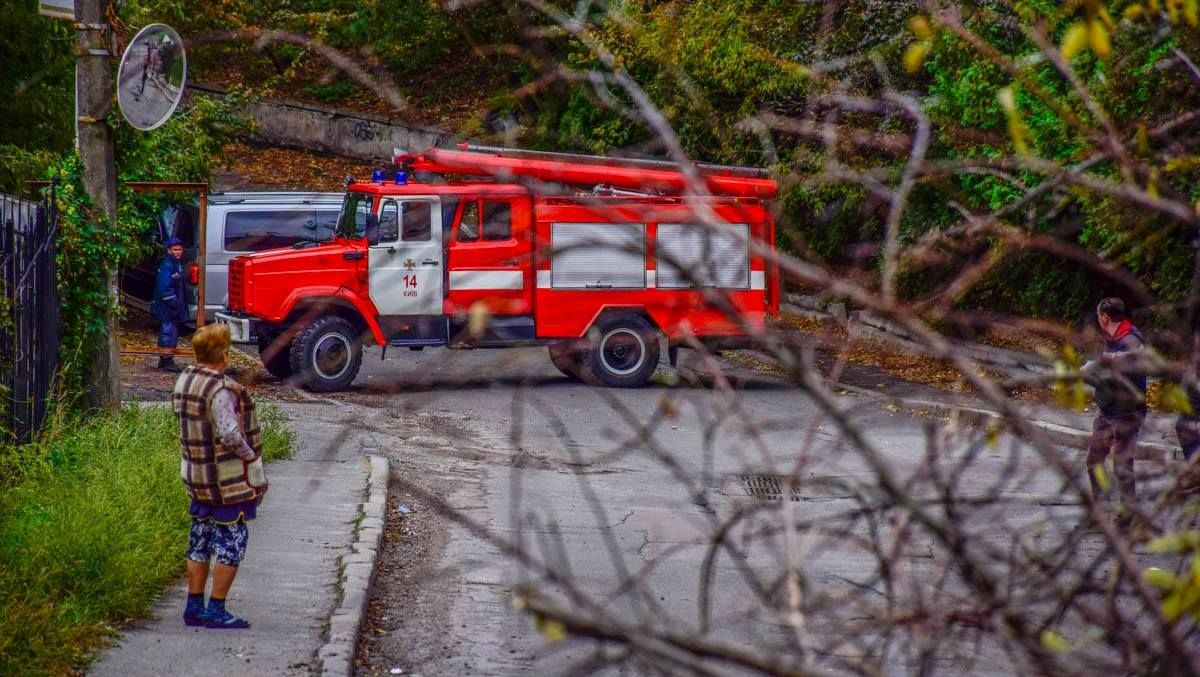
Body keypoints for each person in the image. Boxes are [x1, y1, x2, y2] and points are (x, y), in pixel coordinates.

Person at [173, 323, 268, 629]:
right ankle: (215, 610)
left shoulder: (186, 379)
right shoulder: (220, 389)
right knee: (231, 543)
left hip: (195, 474)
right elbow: (229, 433)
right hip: (225, 481)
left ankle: (194, 606)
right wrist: (250, 455)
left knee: (199, 541)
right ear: (223, 354)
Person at [1085, 298, 1148, 523]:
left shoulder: (1131, 342)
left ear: (1104, 317)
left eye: (1098, 315)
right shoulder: (1112, 339)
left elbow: (1116, 379)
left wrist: (1091, 376)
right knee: (1094, 460)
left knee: (1122, 464)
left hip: (1127, 412)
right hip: (1108, 410)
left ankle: (1127, 512)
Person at [150, 236, 188, 372]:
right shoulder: (167, 265)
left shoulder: (176, 264)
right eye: (175, 249)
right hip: (168, 307)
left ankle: (167, 358)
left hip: (173, 306)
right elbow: (165, 288)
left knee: (172, 332)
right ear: (169, 250)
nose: (178, 252)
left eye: (180, 249)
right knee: (168, 332)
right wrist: (174, 303)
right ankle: (166, 359)